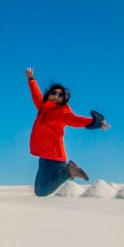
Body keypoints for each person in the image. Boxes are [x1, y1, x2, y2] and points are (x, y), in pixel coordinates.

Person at [25, 67, 110, 197]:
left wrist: (95, 122)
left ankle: (69, 171)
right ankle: (69, 171)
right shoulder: (43, 108)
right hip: (44, 156)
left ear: (63, 99)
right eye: (54, 93)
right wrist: (31, 79)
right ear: (49, 94)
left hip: (54, 158)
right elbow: (36, 94)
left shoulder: (62, 112)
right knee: (39, 189)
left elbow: (75, 119)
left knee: (41, 191)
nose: (57, 96)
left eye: (60, 95)